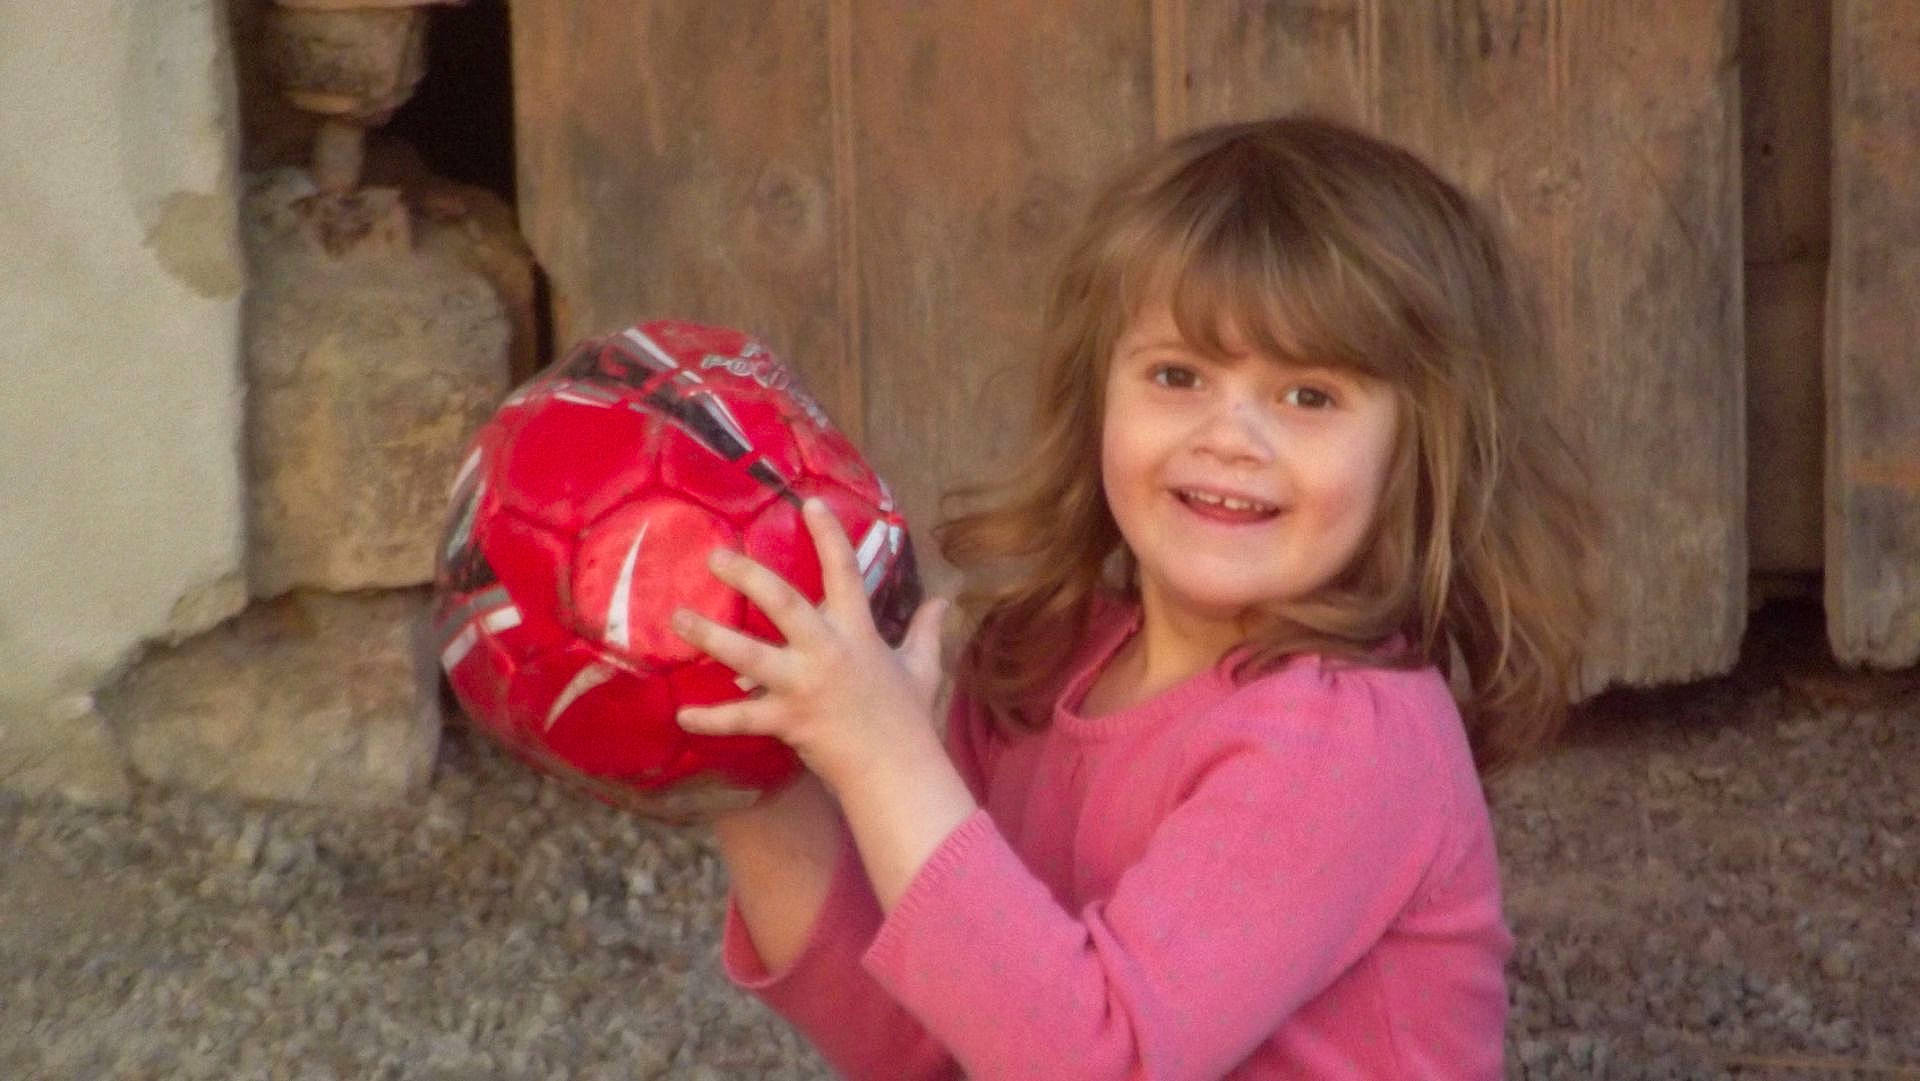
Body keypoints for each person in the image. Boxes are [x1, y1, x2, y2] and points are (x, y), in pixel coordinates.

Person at [669, 115, 1592, 1080]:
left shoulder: (1346, 739)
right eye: (1177, 374)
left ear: (1421, 450)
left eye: (1308, 395)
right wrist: (747, 773)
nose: (1229, 436)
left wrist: (882, 751)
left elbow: (1092, 1061)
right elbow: (932, 1038)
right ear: (1096, 397)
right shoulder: (1038, 662)